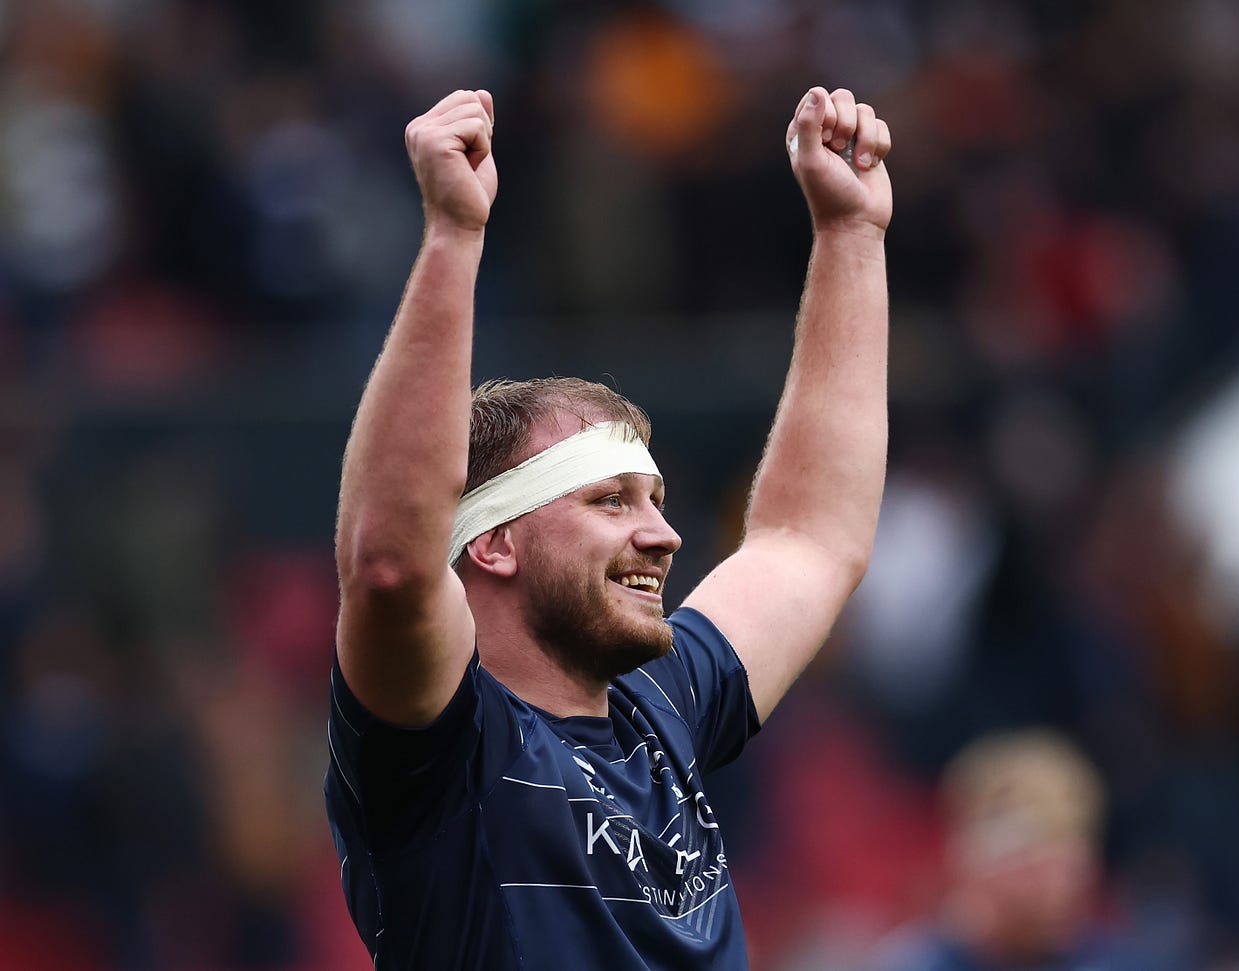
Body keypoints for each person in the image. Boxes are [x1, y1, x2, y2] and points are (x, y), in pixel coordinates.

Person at [324, 85, 892, 969]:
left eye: (656, 500)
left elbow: (809, 537)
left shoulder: (662, 704)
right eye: (610, 501)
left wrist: (851, 236)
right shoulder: (447, 749)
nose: (663, 536)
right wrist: (453, 238)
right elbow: (391, 565)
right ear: (493, 542)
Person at [874, 730, 1152, 971]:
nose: (1054, 883)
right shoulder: (914, 963)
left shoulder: (1119, 963)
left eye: (1066, 860)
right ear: (969, 855)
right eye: (1029, 858)